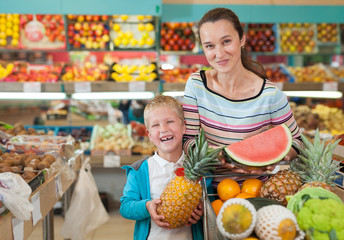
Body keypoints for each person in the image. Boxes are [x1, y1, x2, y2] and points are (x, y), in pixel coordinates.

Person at [182, 8, 303, 183]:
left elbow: (297, 142)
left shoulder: (270, 94)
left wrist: (278, 156)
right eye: (210, 46)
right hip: (207, 190)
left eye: (226, 41)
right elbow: (188, 140)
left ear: (242, 39)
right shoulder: (196, 84)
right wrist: (216, 156)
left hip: (255, 190)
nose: (219, 53)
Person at [120, 95, 204, 240]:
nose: (163, 129)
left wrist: (202, 210)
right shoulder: (139, 171)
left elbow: (209, 202)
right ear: (149, 135)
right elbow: (125, 206)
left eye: (170, 122)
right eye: (155, 125)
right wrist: (146, 206)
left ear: (184, 126)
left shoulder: (198, 170)